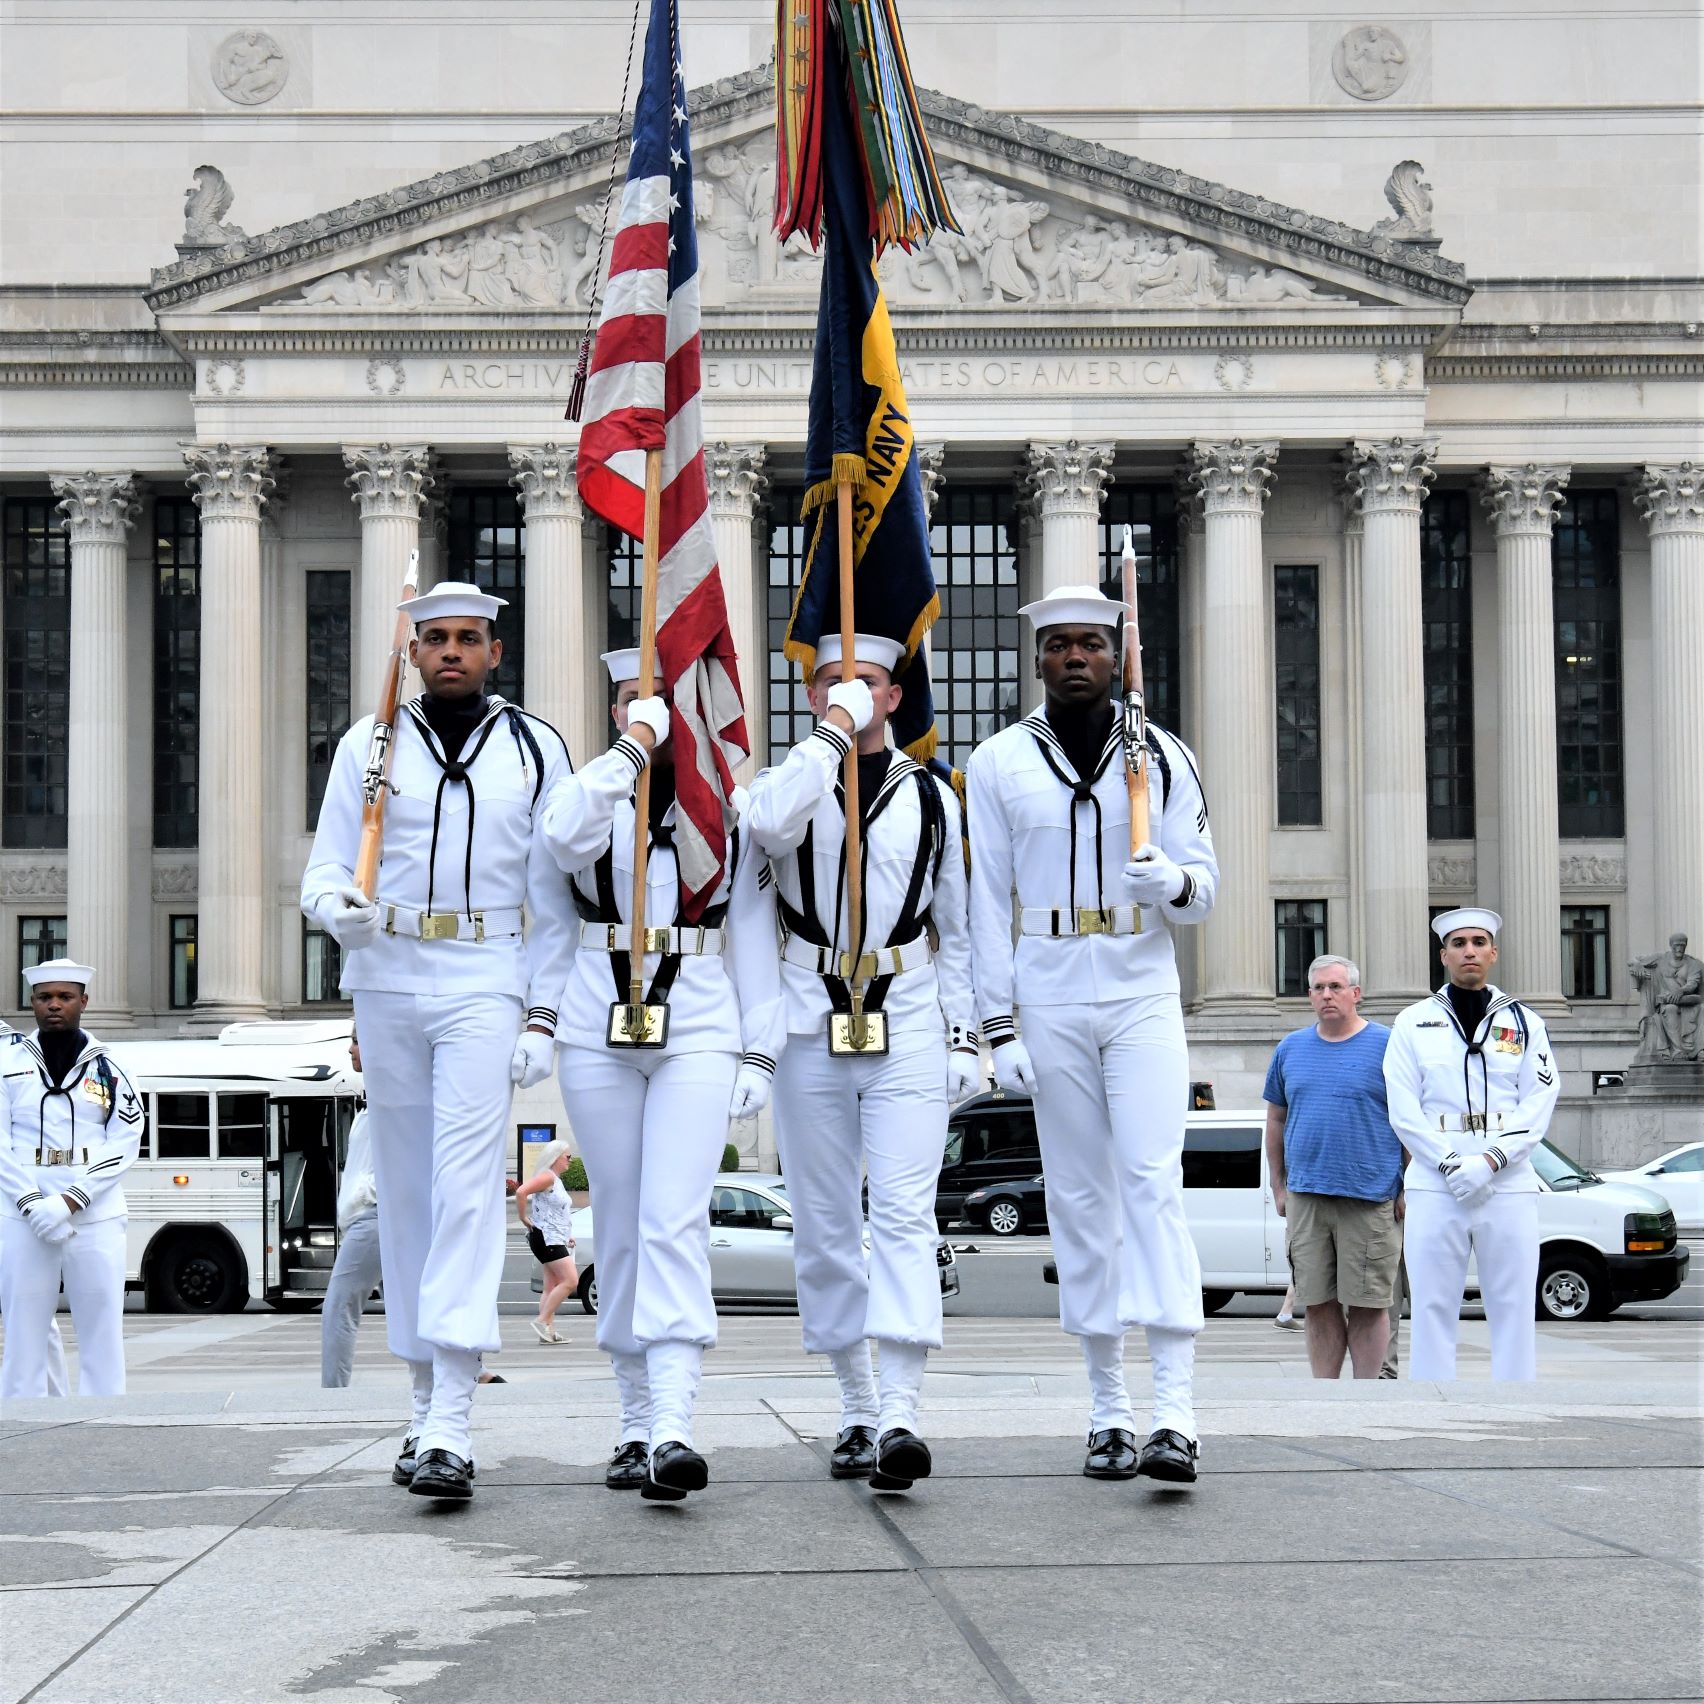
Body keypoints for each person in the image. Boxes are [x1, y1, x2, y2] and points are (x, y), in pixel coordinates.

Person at [301, 581, 575, 1500]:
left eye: (468, 639)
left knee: (464, 1186)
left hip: (483, 974)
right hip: (387, 970)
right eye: (434, 639)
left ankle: (453, 1415)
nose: (451, 652)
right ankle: (423, 1402)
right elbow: (328, 863)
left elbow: (558, 899)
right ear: (412, 652)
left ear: (497, 652)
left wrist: (543, 1012)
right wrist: (332, 909)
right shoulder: (368, 743)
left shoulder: (538, 748)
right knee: (410, 1196)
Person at [966, 584, 1217, 1485]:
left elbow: (1206, 885)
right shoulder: (996, 763)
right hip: (1049, 987)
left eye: (1092, 645)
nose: (1076, 658)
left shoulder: (1162, 756)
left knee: (1152, 1181)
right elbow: (982, 905)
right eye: (1059, 645)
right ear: (1037, 660)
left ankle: (1177, 1411)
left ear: (1118, 658)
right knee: (1077, 1197)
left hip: (1141, 980)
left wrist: (1172, 886)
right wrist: (996, 1027)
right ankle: (1109, 1408)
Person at [542, 647, 785, 1502]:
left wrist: (762, 1047)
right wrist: (630, 754)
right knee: (615, 1224)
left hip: (699, 1023)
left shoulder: (730, 811)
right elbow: (559, 839)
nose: (649, 710)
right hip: (594, 1025)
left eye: (665, 700)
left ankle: (677, 1422)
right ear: (613, 710)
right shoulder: (590, 793)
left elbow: (756, 937)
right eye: (631, 699)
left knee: (673, 1218)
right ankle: (633, 1419)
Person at [746, 633, 978, 1491]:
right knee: (826, 1223)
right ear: (812, 699)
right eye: (833, 684)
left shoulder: (936, 796)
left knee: (907, 1216)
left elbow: (959, 922)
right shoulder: (787, 785)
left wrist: (967, 1032)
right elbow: (765, 828)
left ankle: (904, 1410)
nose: (852, 693)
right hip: (811, 1019)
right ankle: (855, 1401)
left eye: (868, 684)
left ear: (895, 697)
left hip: (908, 1015)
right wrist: (830, 741)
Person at [1384, 908, 1562, 1381]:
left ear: (1494, 953)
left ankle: (1515, 1406)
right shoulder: (1412, 1022)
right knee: (1431, 1303)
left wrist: (1490, 1161)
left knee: (1513, 1301)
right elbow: (1403, 1108)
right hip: (1434, 1180)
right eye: (1459, 943)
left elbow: (1540, 1100)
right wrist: (1450, 1164)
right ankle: (1432, 1408)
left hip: (1508, 1182)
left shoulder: (1525, 1023)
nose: (1469, 951)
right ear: (1443, 955)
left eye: (1479, 942)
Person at [0, 960, 143, 1399]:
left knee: (101, 1328)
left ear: (84, 1001)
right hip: (21, 1214)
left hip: (94, 1213)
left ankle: (105, 1421)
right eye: (45, 998)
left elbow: (126, 1136)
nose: (55, 1006)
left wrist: (69, 1201)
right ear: (32, 1004)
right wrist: (29, 1201)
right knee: (23, 1330)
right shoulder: (7, 1064)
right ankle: (22, 1418)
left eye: (65, 997)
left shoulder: (112, 1066)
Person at [1263, 955, 1405, 1379]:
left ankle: (1365, 1396)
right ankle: (1325, 1396)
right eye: (1319, 988)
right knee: (1318, 1302)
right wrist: (1278, 1185)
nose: (1327, 995)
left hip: (1370, 1196)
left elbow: (1410, 1120)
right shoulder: (1290, 1048)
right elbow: (1276, 1119)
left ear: (1356, 994)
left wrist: (1406, 1187)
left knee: (1369, 1302)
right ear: (1309, 996)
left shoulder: (1389, 1045)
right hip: (1307, 1196)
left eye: (1336, 987)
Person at [320, 1031, 383, 1389]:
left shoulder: (390, 1097)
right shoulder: (370, 1101)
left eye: (358, 1039)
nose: (349, 1048)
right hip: (370, 1216)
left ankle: (333, 1394)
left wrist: (367, 1195)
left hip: (372, 1217)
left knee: (338, 1307)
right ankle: (473, 1369)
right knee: (418, 1306)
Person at [516, 1140, 578, 1344]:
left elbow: (556, 1212)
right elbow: (521, 1191)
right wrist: (523, 1218)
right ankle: (542, 1321)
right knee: (570, 1281)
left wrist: (567, 1234)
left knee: (550, 1287)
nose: (570, 1160)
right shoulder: (546, 1177)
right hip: (546, 1238)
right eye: (567, 1156)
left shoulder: (554, 1179)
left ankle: (548, 1333)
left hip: (553, 1237)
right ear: (556, 1157)